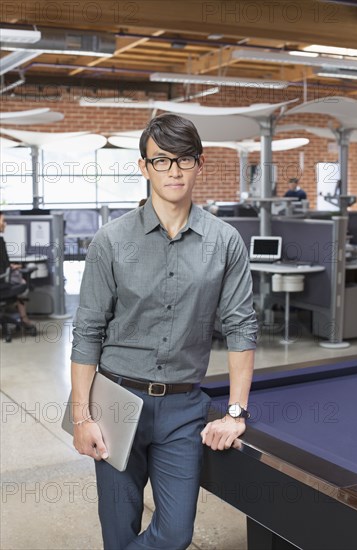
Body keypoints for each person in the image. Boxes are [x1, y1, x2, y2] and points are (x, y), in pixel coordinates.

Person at [70, 113, 257, 550]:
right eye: (161, 160)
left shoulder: (225, 241)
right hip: (116, 401)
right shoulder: (111, 241)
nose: (173, 170)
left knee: (175, 533)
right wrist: (82, 416)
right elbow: (87, 332)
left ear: (199, 164)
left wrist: (235, 411)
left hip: (182, 408)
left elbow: (241, 327)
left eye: (184, 160)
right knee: (118, 533)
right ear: (143, 167)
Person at [0, 211, 36, 331]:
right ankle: (24, 318)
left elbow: (3, 264)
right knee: (22, 282)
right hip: (2, 284)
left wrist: (10, 266)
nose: (5, 224)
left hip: (3, 279)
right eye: (3, 221)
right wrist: (12, 268)